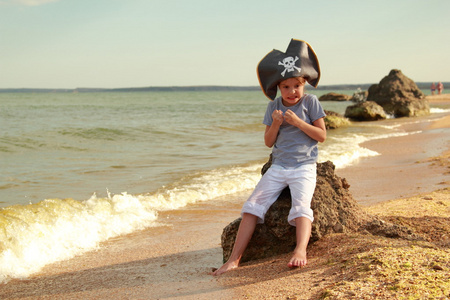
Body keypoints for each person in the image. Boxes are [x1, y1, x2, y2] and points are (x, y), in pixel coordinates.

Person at [212, 39, 326, 276]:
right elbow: (268, 141)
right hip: (279, 166)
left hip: (304, 166)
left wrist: (298, 122)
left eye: (297, 86)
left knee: (301, 207)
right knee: (252, 207)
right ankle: (234, 259)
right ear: (278, 87)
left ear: (304, 84)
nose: (292, 91)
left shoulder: (310, 102)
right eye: (286, 87)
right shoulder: (274, 107)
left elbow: (321, 135)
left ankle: (300, 250)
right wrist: (275, 123)